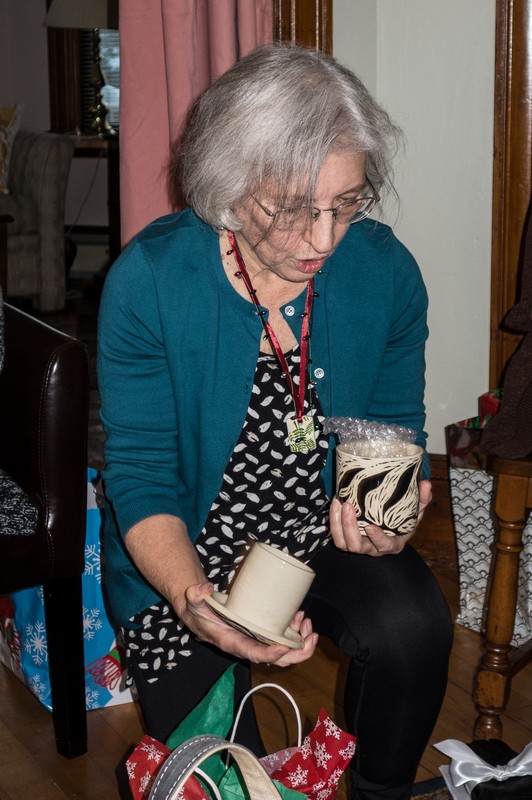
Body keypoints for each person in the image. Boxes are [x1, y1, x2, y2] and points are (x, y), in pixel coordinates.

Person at [97, 44, 453, 800]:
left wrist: (388, 510)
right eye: (292, 209)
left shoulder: (385, 274)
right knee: (227, 782)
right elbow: (141, 475)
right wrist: (198, 604)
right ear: (231, 182)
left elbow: (391, 430)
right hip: (184, 557)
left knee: (413, 626)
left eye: (346, 203)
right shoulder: (151, 282)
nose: (323, 239)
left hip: (315, 534)